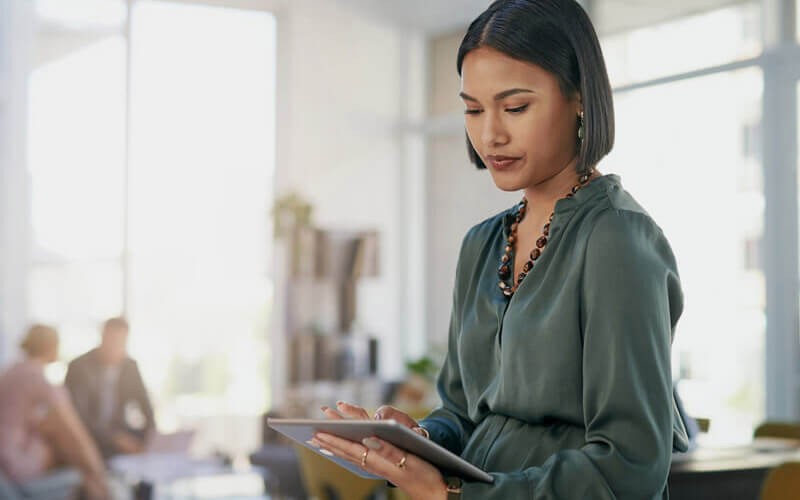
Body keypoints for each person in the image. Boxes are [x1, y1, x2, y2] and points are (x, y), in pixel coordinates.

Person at [309, 1, 690, 498]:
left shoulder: (617, 240)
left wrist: (454, 496)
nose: (490, 133)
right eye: (472, 109)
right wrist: (415, 439)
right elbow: (465, 413)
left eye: (515, 107)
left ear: (579, 98)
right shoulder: (482, 244)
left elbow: (630, 465)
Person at [0, 324, 109, 499]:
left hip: (5, 464)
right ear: (52, 347)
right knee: (83, 472)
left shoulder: (11, 372)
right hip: (13, 467)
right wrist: (98, 472)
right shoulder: (35, 376)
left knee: (51, 431)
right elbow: (73, 429)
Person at [65, 317, 156, 458]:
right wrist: (114, 438)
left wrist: (151, 436)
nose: (115, 346)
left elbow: (145, 404)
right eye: (112, 340)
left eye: (121, 342)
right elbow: (78, 416)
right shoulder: (79, 367)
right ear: (102, 337)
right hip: (89, 437)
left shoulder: (130, 367)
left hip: (119, 433)